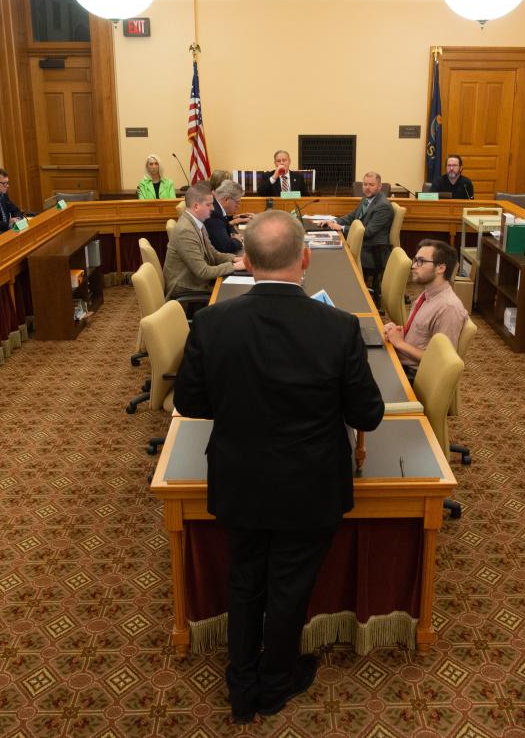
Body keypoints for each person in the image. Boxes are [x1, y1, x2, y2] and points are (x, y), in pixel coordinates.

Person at [174, 210, 384, 724]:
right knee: (289, 586)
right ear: (306, 258)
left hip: (239, 479)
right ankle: (275, 682)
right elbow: (368, 415)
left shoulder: (211, 321)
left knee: (245, 579)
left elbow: (192, 403)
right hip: (309, 486)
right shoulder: (338, 327)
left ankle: (241, 684)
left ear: (244, 261)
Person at [384, 239, 470, 380]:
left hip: (412, 375)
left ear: (440, 268)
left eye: (421, 262)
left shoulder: (449, 308)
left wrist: (400, 343)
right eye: (415, 260)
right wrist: (399, 332)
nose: (413, 266)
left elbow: (441, 361)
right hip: (399, 360)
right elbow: (422, 334)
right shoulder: (428, 293)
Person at [164, 182, 244, 303]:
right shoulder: (186, 230)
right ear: (196, 206)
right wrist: (234, 266)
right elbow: (203, 272)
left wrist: (235, 259)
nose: (213, 208)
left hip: (196, 282)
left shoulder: (198, 223)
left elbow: (213, 253)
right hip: (186, 288)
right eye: (209, 204)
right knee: (236, 299)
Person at [320, 171, 393, 295]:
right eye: (365, 184)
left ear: (379, 186)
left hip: (372, 250)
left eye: (371, 185)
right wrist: (332, 221)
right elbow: (352, 216)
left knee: (337, 257)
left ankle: (345, 293)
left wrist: (341, 227)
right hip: (363, 244)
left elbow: (368, 232)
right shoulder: (367, 199)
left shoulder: (383, 206)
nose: (367, 188)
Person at [206, 180, 249, 255]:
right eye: (237, 202)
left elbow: (227, 224)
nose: (238, 206)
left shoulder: (217, 206)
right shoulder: (214, 212)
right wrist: (238, 241)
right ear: (226, 199)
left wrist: (234, 234)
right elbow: (225, 246)